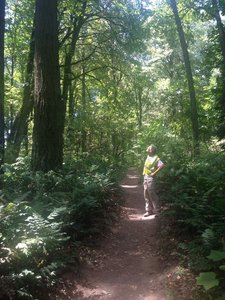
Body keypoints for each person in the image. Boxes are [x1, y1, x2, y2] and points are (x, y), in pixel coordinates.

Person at [143, 144, 164, 217]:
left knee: (152, 193)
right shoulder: (148, 156)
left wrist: (154, 173)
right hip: (145, 176)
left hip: (151, 178)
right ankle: (149, 210)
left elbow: (162, 165)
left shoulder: (155, 158)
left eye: (150, 148)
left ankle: (158, 210)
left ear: (152, 151)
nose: (148, 149)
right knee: (146, 193)